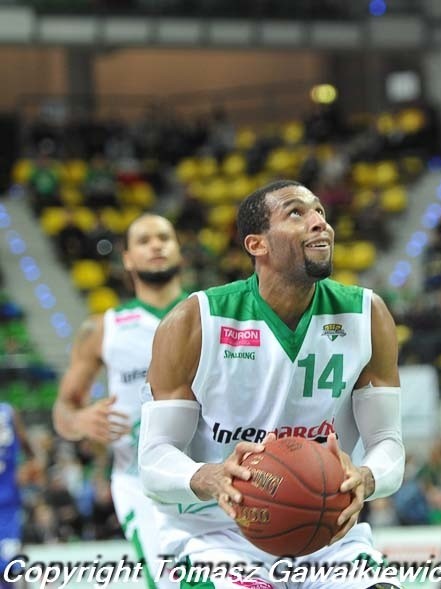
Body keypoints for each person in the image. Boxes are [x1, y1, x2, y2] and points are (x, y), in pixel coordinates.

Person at [138, 180, 405, 589]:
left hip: (327, 537)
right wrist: (211, 478)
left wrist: (366, 478)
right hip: (217, 537)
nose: (319, 223)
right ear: (256, 245)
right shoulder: (195, 321)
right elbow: (154, 459)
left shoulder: (367, 314)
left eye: (320, 212)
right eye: (296, 213)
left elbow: (388, 441)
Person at [53, 213, 187, 589]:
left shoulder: (213, 313)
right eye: (144, 240)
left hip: (211, 472)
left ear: (180, 251)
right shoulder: (101, 329)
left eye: (164, 237)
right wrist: (80, 422)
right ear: (127, 258)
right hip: (140, 482)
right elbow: (62, 410)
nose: (156, 245)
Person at [0, 403, 34, 589]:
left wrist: (31, 465)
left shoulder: (9, 412)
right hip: (9, 503)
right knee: (12, 567)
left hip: (9, 503)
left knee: (12, 568)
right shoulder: (9, 411)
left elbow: (30, 453)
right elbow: (30, 451)